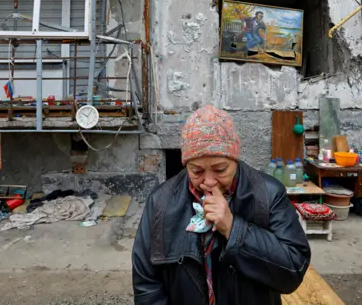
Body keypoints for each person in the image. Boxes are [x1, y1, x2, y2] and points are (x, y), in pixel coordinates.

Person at [132, 105, 311, 305]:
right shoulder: (161, 201)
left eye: (220, 170)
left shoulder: (268, 194)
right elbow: (147, 285)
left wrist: (234, 229)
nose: (208, 182)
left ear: (235, 160)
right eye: (196, 171)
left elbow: (293, 271)